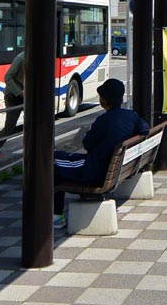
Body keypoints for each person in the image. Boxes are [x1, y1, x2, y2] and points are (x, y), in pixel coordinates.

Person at [52, 78, 149, 229]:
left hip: (94, 171)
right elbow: (144, 129)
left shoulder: (103, 120)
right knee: (60, 157)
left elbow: (87, 144)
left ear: (105, 100)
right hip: (110, 167)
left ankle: (56, 217)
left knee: (50, 165)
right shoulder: (131, 116)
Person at [0, 51, 26, 160]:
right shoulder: (21, 58)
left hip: (24, 96)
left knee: (35, 122)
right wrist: (19, 92)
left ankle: (43, 147)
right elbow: (7, 77)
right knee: (10, 125)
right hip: (13, 95)